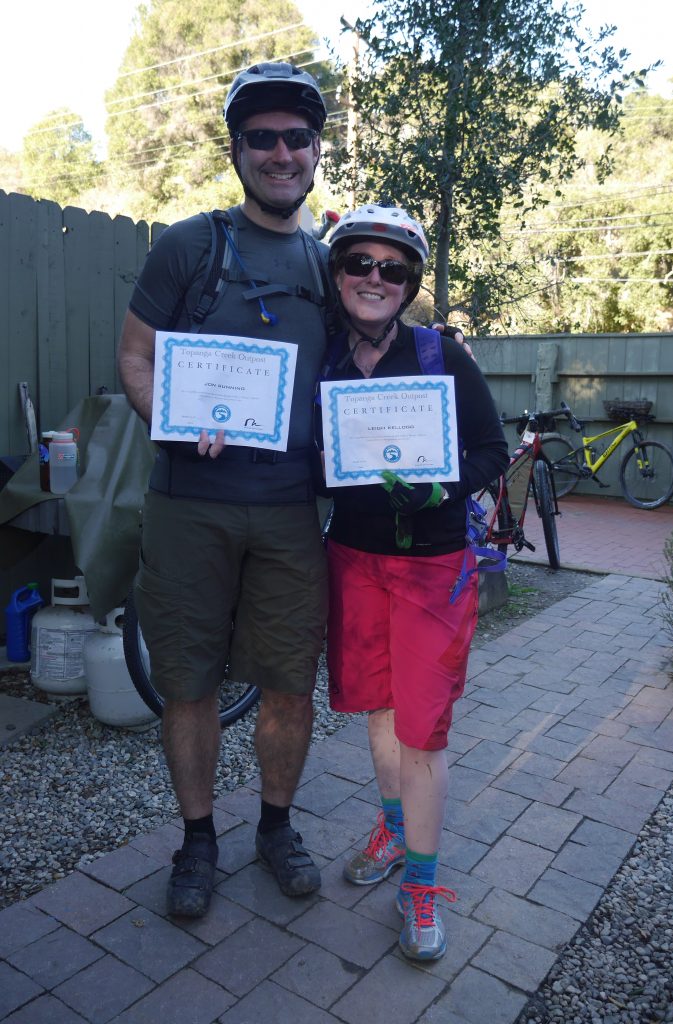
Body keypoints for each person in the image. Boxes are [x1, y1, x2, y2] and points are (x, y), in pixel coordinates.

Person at [117, 62, 334, 917]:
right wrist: (165, 419)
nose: (282, 153)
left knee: (287, 682)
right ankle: (197, 839)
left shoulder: (329, 266)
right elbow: (136, 358)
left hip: (289, 511)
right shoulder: (188, 246)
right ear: (237, 150)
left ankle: (275, 826)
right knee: (188, 680)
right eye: (263, 139)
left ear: (316, 150)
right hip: (188, 505)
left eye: (296, 138)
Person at [318, 205, 509, 960]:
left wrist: (444, 486)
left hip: (431, 569)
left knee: (422, 731)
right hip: (353, 561)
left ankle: (423, 885)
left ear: (409, 283)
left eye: (390, 268)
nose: (373, 278)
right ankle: (395, 834)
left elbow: (493, 449)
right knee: (376, 709)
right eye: (358, 264)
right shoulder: (325, 359)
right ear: (337, 277)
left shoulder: (440, 356)